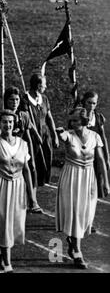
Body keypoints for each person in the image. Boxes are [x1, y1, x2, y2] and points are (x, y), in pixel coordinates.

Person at [0, 110, 35, 273]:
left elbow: (26, 170)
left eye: (10, 122)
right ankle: (7, 261)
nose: (8, 125)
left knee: (14, 222)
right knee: (2, 222)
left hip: (18, 186)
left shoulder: (23, 144)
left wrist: (32, 196)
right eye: (4, 122)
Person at [56, 107, 109, 269]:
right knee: (75, 213)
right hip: (71, 177)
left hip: (88, 178)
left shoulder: (95, 136)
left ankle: (73, 242)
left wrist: (106, 182)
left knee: (86, 215)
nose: (73, 123)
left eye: (76, 121)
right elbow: (63, 136)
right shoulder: (69, 135)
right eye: (71, 121)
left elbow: (100, 160)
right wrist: (59, 132)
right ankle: (78, 252)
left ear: (85, 121)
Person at [4, 86, 43, 213]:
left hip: (21, 147)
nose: (14, 103)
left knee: (30, 168)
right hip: (7, 149)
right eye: (11, 100)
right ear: (6, 101)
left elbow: (27, 136)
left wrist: (29, 152)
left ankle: (33, 200)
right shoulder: (3, 116)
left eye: (16, 100)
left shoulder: (23, 116)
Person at [22, 74, 59, 187]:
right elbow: (28, 119)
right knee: (34, 158)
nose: (46, 87)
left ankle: (44, 181)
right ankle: (32, 182)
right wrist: (36, 134)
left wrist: (54, 135)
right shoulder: (25, 99)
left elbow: (49, 118)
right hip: (32, 135)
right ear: (38, 85)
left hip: (45, 133)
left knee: (47, 155)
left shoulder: (45, 99)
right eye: (44, 84)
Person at [82, 91, 110, 199]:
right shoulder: (79, 116)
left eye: (94, 103)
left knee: (97, 183)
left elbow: (103, 138)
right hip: (84, 155)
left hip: (96, 155)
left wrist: (107, 156)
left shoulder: (98, 118)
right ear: (84, 102)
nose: (91, 106)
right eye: (89, 103)